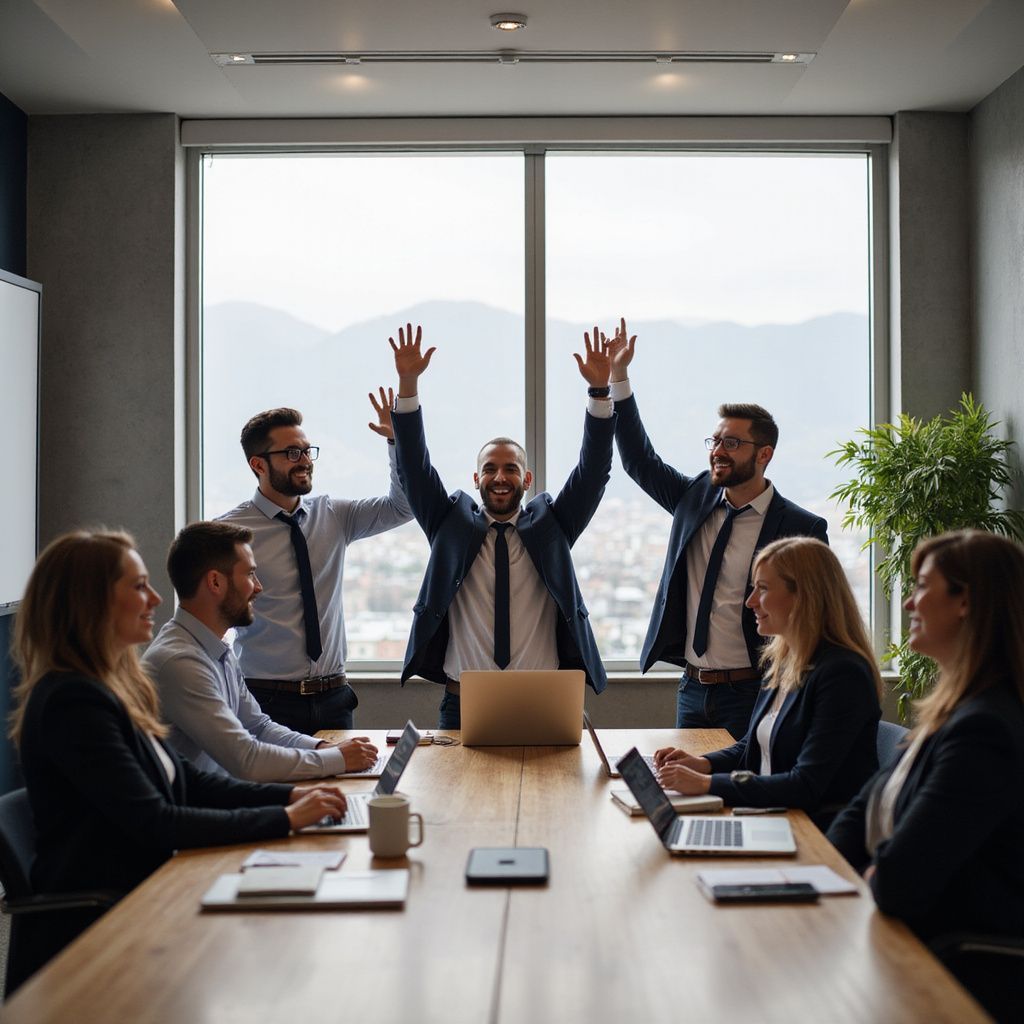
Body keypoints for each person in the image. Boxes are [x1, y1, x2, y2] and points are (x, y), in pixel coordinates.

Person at [8, 530, 346, 992]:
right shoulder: (73, 702)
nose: (153, 598)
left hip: (150, 894)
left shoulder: (112, 688)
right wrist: (283, 817)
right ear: (92, 601)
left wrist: (289, 795)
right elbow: (156, 821)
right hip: (102, 935)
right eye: (138, 586)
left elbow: (189, 780)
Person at [383, 323, 617, 728]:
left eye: (511, 469)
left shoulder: (553, 525)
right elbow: (416, 470)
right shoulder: (449, 523)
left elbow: (593, 472)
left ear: (527, 480)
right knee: (456, 794)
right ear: (476, 480)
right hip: (463, 703)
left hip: (543, 699)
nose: (500, 477)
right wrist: (408, 386)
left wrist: (598, 394)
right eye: (489, 469)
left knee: (555, 794)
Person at [828, 530, 1024, 1004]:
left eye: (921, 587)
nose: (911, 604)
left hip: (954, 966)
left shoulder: (985, 729)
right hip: (903, 935)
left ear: (965, 602)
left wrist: (876, 872)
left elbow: (900, 883)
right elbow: (857, 816)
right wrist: (847, 869)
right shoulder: (953, 712)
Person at [608, 320, 828, 738]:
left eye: (731, 443)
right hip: (691, 688)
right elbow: (639, 460)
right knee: (686, 789)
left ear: (764, 454)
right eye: (714, 441)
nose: (718, 452)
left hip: (756, 690)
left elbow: (816, 618)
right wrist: (619, 378)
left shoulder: (801, 528)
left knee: (746, 793)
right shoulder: (694, 498)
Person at [653, 537, 881, 830]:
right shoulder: (784, 660)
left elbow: (805, 784)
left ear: (803, 596)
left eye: (762, 589)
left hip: (816, 833)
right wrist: (703, 764)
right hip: (773, 818)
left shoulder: (843, 674)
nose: (749, 602)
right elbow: (753, 745)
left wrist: (708, 784)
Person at [218, 399, 412, 733]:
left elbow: (404, 506)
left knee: (341, 787)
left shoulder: (333, 515)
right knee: (275, 786)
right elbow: (212, 617)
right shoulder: (229, 533)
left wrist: (397, 442)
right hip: (264, 700)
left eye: (308, 451)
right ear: (258, 465)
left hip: (334, 698)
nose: (305, 461)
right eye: (292, 453)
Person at [143, 521, 379, 782]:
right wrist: (339, 760)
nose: (258, 587)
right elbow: (246, 760)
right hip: (198, 815)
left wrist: (324, 749)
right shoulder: (180, 662)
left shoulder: (214, 648)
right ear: (215, 582)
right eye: (250, 574)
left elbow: (259, 727)